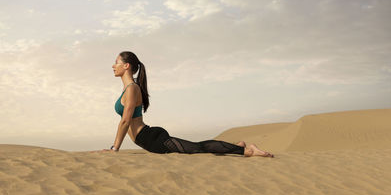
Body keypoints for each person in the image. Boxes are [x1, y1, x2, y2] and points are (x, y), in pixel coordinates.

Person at [99, 51, 274, 158]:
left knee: (199, 148)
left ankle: (248, 151)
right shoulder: (129, 88)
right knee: (198, 147)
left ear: (126, 66)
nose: (113, 66)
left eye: (117, 62)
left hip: (152, 139)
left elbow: (125, 121)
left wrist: (114, 148)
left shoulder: (131, 89)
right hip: (149, 138)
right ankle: (238, 146)